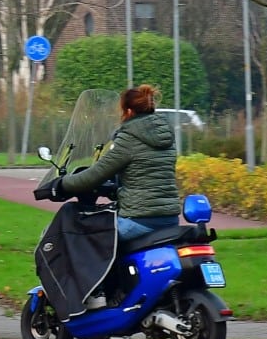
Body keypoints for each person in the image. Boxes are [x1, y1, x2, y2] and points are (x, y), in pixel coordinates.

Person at [56, 84, 181, 245]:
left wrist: (62, 184)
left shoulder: (129, 137)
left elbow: (96, 174)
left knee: (82, 238)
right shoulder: (166, 136)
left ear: (128, 111)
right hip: (170, 219)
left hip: (140, 221)